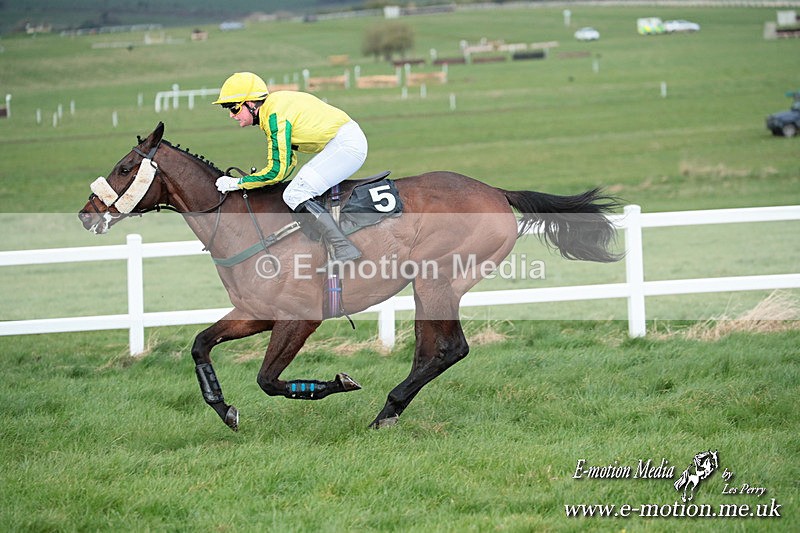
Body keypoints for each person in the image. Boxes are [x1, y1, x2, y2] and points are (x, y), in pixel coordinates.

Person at [213, 72, 366, 263]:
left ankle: (344, 247)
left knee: (295, 194)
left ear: (251, 104)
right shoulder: (273, 109)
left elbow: (277, 171)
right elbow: (288, 163)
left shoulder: (274, 115)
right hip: (344, 141)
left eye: (234, 108)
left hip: (346, 145)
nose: (231, 115)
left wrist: (238, 183)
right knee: (294, 190)